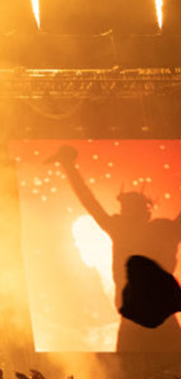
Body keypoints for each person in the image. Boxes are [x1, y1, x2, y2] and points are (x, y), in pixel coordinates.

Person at [52, 144, 181, 351]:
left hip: (139, 316)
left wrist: (69, 167)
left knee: (133, 373)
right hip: (154, 315)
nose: (121, 212)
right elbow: (89, 201)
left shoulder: (126, 229)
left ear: (139, 210)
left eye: (126, 208)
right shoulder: (160, 230)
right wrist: (69, 168)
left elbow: (89, 201)